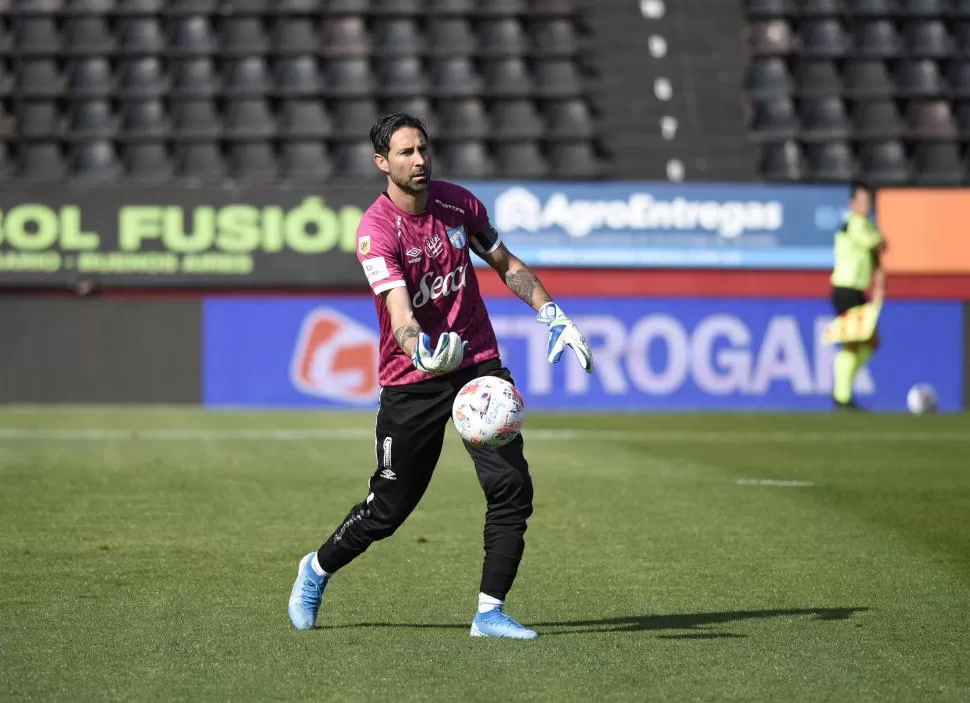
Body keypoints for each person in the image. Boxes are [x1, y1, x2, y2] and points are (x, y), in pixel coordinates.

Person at [287, 113, 594, 640]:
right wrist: (422, 349)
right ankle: (316, 569)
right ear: (382, 163)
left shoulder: (459, 203)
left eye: (423, 149)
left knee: (511, 488)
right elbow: (400, 314)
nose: (420, 160)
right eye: (405, 152)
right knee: (388, 509)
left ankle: (489, 613)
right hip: (413, 377)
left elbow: (504, 261)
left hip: (476, 363)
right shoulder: (376, 231)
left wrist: (551, 312)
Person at [830, 182, 887, 411]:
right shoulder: (855, 224)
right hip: (846, 289)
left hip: (857, 290)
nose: (865, 205)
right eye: (861, 201)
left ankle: (843, 391)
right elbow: (878, 243)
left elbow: (878, 248)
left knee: (872, 342)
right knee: (852, 343)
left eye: (868, 201)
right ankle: (842, 396)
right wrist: (878, 239)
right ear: (852, 203)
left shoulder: (864, 224)